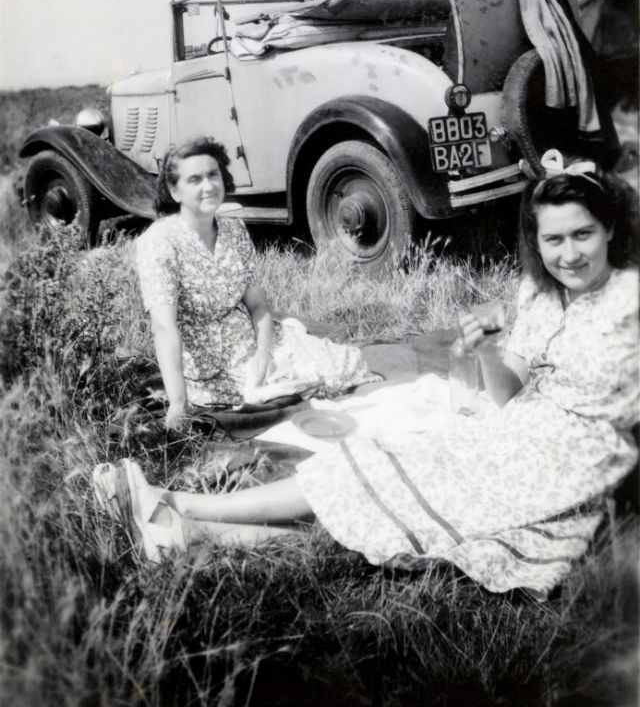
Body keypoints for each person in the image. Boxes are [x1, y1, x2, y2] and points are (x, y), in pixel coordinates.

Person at [96, 157, 638, 596]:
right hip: (514, 433)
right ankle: (183, 524)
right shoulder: (540, 294)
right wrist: (492, 351)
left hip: (573, 458)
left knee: (402, 489)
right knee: (377, 465)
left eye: (582, 235)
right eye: (554, 241)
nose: (568, 254)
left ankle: (176, 507)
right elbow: (507, 395)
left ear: (610, 228)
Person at [135, 136, 377, 430]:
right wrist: (177, 402)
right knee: (296, 387)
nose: (209, 186)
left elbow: (258, 306)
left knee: (347, 364)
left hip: (253, 343)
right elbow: (164, 327)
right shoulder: (158, 243)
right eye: (195, 180)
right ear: (175, 191)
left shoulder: (234, 230)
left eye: (213, 175)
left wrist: (264, 354)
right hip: (207, 365)